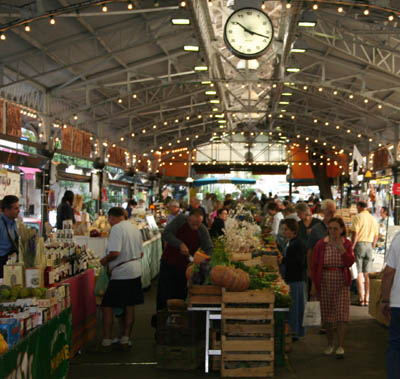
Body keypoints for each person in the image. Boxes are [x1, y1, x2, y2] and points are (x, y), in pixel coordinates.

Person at [99, 207, 144, 352]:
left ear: (112, 217)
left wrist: (104, 260)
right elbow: (141, 253)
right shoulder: (134, 228)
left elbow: (115, 252)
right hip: (135, 270)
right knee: (129, 305)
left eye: (109, 219)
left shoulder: (117, 229)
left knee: (107, 305)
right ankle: (125, 337)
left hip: (121, 273)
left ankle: (107, 339)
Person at [311, 217, 355, 359]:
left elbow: (350, 262)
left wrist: (342, 250)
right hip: (324, 280)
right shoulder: (321, 244)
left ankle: (340, 345)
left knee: (342, 314)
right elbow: (315, 264)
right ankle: (330, 344)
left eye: (335, 228)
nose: (332, 231)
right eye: (330, 228)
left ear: (342, 229)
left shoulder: (347, 244)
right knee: (327, 315)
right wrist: (313, 285)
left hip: (341, 281)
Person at [156, 208, 213, 311]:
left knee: (180, 296)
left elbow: (209, 247)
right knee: (164, 295)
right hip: (169, 264)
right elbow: (166, 233)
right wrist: (180, 244)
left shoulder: (202, 229)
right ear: (188, 219)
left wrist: (208, 260)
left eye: (198, 224)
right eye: (193, 224)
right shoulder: (180, 220)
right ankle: (161, 320)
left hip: (185, 268)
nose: (196, 227)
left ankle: (178, 320)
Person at [281, 218, 307, 341]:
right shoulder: (291, 242)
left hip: (296, 280)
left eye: (286, 229)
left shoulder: (298, 244)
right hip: (292, 279)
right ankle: (293, 331)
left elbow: (299, 262)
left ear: (293, 231)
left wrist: (283, 260)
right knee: (293, 307)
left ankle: (295, 332)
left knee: (295, 307)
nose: (283, 232)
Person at [350, 201, 379, 306]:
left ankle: (361, 298)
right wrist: (373, 246)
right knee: (367, 273)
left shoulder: (357, 217)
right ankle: (367, 298)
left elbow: (355, 234)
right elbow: (376, 236)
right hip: (369, 246)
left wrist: (352, 246)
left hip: (359, 245)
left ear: (359, 206)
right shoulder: (373, 219)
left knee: (358, 272)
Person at [381, 232, 400, 379]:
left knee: (395, 346)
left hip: (398, 303)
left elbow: (388, 272)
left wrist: (385, 299)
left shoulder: (398, 238)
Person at [0, 196, 20, 278]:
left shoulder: (14, 223)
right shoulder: (0, 224)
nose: (18, 211)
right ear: (6, 210)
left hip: (11, 261)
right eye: (15, 208)